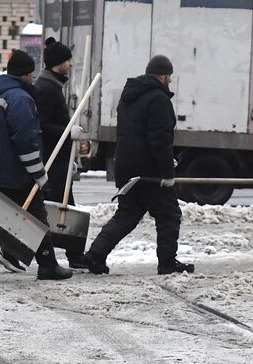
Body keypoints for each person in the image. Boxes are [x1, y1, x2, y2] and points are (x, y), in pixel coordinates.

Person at [0, 50, 72, 282]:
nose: (33, 78)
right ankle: (48, 265)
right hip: (13, 170)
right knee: (37, 214)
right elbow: (25, 139)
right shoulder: (20, 99)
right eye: (30, 74)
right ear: (24, 75)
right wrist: (38, 174)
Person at [82, 55, 192, 276]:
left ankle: (95, 255)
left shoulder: (130, 96)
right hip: (150, 171)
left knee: (127, 214)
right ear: (162, 75)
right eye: (169, 76)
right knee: (169, 214)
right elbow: (160, 139)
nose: (170, 80)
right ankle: (167, 263)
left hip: (127, 166)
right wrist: (167, 173)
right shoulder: (158, 99)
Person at [0, 37, 88, 273]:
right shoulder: (47, 90)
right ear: (58, 63)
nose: (71, 64)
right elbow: (42, 126)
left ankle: (72, 255)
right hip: (51, 159)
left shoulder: (52, 86)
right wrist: (69, 133)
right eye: (68, 60)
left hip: (58, 159)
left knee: (55, 208)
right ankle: (70, 256)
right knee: (49, 209)